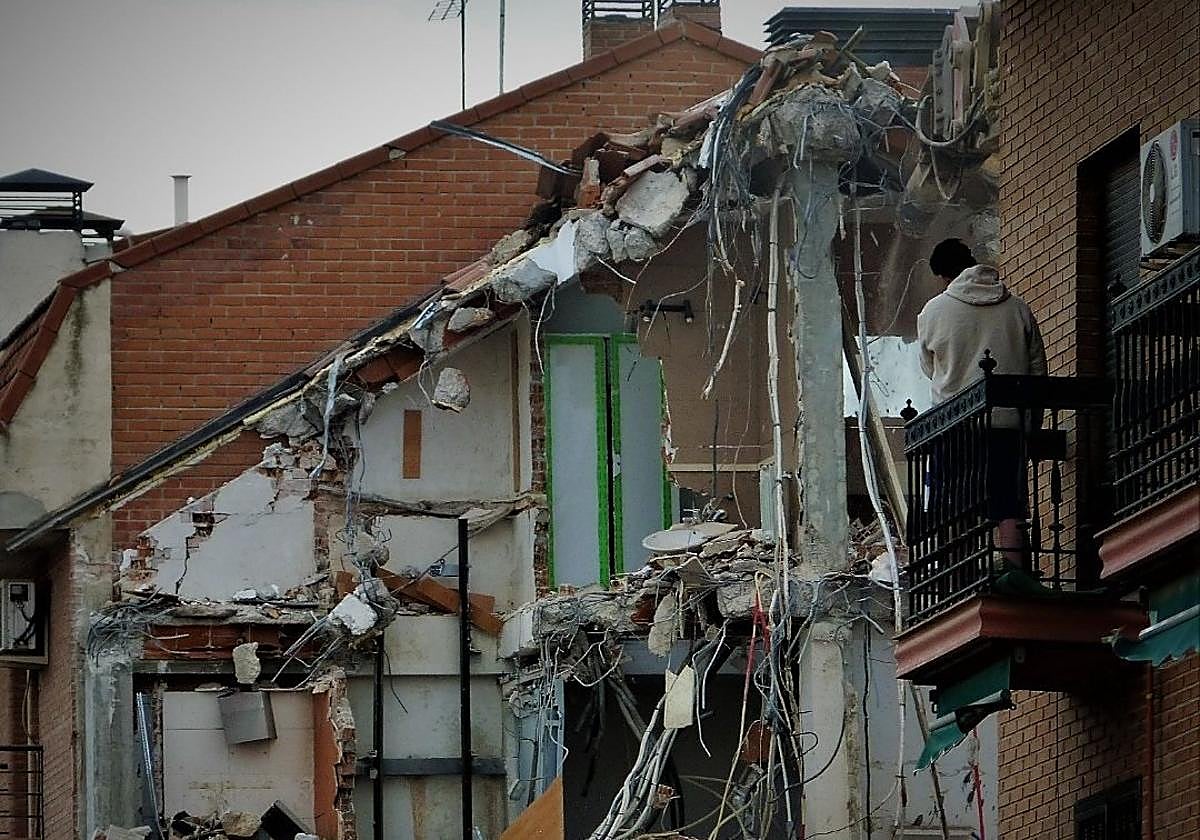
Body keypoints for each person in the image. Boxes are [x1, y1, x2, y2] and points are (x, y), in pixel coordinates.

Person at [916, 238, 1046, 569]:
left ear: (943, 276)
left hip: (956, 426)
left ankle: (960, 574)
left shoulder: (934, 311)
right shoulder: (1017, 308)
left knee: (955, 505)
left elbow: (929, 367)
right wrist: (1031, 423)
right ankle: (1016, 573)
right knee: (1009, 504)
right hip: (1008, 423)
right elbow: (1037, 368)